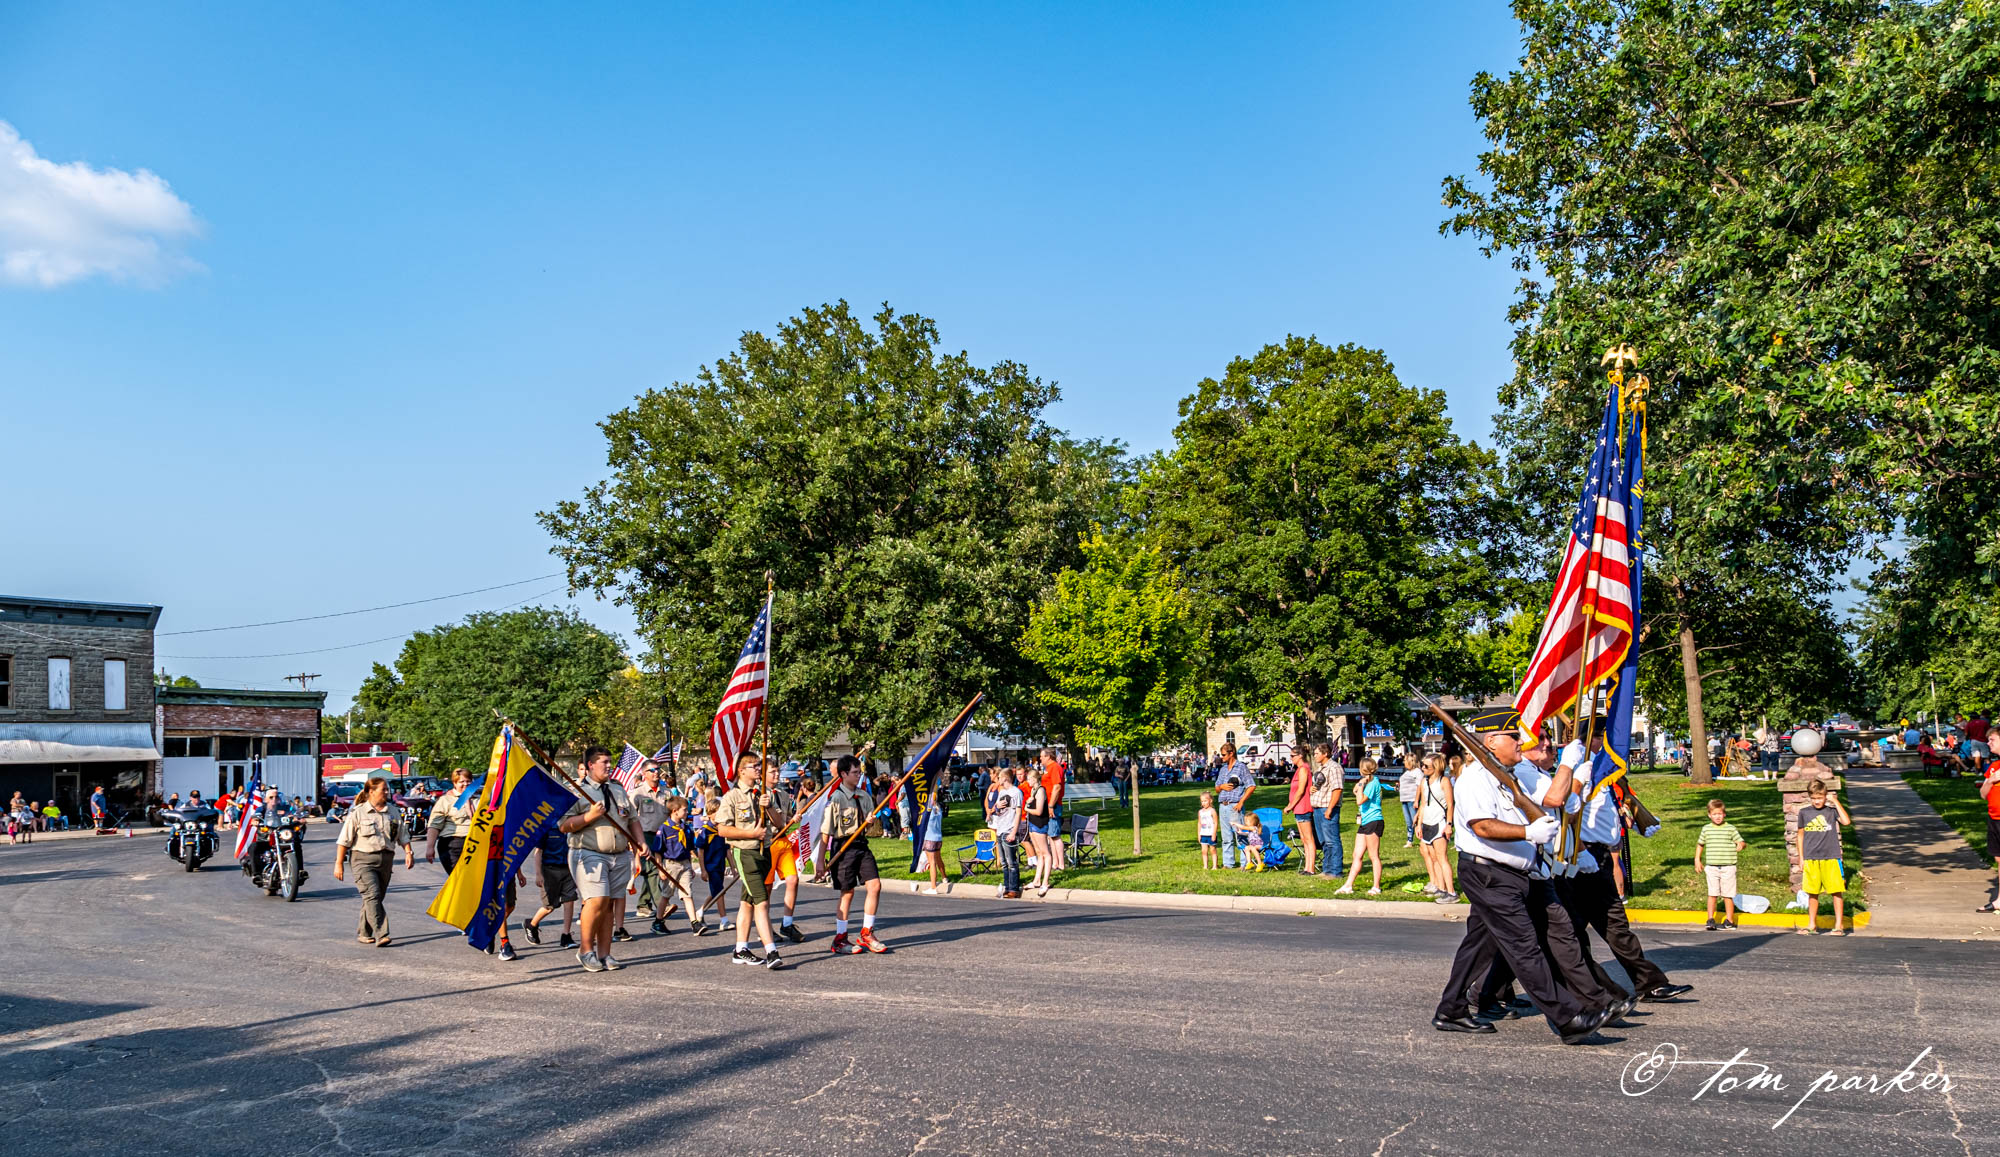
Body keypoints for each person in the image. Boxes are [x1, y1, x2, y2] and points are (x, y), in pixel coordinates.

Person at [1431, 732, 1605, 1045]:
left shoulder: (1504, 776)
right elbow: (1482, 825)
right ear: (1491, 742)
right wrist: (1528, 832)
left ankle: (1451, 1009)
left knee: (1479, 946)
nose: (1520, 743)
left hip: (1510, 874)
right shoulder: (1474, 779)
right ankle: (1569, 1019)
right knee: (1524, 947)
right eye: (1513, 737)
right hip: (1489, 874)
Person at [1557, 729, 1687, 1003]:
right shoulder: (1582, 771)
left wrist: (1638, 822)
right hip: (1585, 856)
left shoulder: (1605, 771)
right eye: (1604, 737)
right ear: (1590, 739)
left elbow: (1615, 804)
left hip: (1601, 856)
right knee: (1575, 932)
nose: (1611, 744)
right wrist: (1580, 849)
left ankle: (1645, 984)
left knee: (1610, 927)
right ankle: (1608, 990)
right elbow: (1568, 811)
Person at [557, 745, 654, 972]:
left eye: (610, 762)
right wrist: (589, 816)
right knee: (596, 900)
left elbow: (632, 819)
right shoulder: (576, 791)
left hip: (618, 854)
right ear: (591, 765)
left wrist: (641, 842)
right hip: (588, 852)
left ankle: (604, 954)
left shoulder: (617, 790)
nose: (609, 766)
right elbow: (564, 825)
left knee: (609, 903)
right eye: (604, 762)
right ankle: (585, 950)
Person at [714, 754, 786, 968]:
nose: (758, 769)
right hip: (745, 853)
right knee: (761, 902)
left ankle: (740, 949)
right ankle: (771, 951)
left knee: (747, 902)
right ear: (741, 770)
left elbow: (780, 824)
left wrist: (769, 806)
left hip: (765, 852)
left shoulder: (763, 793)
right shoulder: (732, 797)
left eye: (758, 766)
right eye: (753, 766)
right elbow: (722, 829)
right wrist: (751, 834)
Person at [821, 754, 890, 954]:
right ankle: (840, 938)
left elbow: (867, 826)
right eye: (854, 772)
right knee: (847, 892)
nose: (858, 775)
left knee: (875, 885)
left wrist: (868, 822)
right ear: (843, 774)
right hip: (843, 847)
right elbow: (826, 831)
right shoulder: (836, 798)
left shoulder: (864, 796)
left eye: (859, 772)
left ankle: (867, 933)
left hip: (860, 845)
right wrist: (819, 863)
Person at [332, 777, 413, 947]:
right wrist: (338, 864)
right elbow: (344, 840)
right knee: (372, 895)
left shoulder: (393, 811)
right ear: (371, 791)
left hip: (386, 860)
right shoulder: (358, 812)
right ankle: (381, 934)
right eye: (383, 789)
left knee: (374, 898)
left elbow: (402, 835)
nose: (387, 792)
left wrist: (408, 852)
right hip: (363, 860)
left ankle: (363, 932)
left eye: (387, 789)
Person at [1795, 778, 1852, 934]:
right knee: (1812, 893)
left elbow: (1846, 821)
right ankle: (1812, 925)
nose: (1817, 801)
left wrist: (1835, 801)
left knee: (1836, 891)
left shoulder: (1831, 812)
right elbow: (1800, 835)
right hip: (1811, 859)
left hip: (1831, 857)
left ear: (1825, 796)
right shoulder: (1804, 813)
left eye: (1820, 798)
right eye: (1813, 798)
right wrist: (1801, 858)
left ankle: (1839, 925)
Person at [760, 761, 806, 944]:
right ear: (763, 774)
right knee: (767, 888)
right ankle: (765, 926)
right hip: (768, 842)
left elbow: (785, 818)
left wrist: (794, 818)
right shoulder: (759, 795)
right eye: (772, 771)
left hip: (783, 841)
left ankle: (787, 923)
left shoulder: (783, 794)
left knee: (793, 879)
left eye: (777, 771)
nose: (777, 774)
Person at [648, 795, 706, 934]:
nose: (687, 812)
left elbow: (689, 849)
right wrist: (660, 869)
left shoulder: (686, 828)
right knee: (666, 895)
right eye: (684, 810)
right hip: (670, 865)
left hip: (685, 864)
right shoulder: (664, 828)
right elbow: (658, 851)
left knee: (688, 893)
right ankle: (658, 921)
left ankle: (694, 923)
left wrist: (691, 867)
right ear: (675, 811)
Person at [627, 763, 672, 937]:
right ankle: (663, 905)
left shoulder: (667, 792)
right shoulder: (638, 793)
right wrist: (633, 842)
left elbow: (672, 813)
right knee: (653, 870)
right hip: (645, 835)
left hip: (664, 835)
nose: (656, 773)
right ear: (643, 773)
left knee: (653, 870)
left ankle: (643, 905)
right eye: (652, 770)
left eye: (658, 769)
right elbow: (630, 818)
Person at [524, 817, 580, 952]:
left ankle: (566, 935)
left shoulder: (572, 825)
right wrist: (538, 874)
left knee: (569, 900)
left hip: (568, 869)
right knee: (550, 906)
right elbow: (538, 852)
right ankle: (531, 924)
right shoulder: (547, 826)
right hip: (549, 870)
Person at [1336, 759, 1385, 895]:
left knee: (1373, 855)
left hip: (1374, 820)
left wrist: (1362, 785)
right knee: (1357, 854)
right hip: (1364, 821)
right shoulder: (1366, 781)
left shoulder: (1373, 783)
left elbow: (1359, 800)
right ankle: (1348, 885)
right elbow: (1354, 790)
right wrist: (1361, 782)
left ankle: (1376, 886)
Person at [1696, 799, 1746, 929]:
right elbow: (1700, 844)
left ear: (1724, 814)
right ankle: (1710, 919)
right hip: (1712, 867)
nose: (1717, 817)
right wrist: (1697, 860)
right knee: (1712, 893)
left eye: (1720, 814)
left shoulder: (1730, 829)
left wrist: (1741, 844)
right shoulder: (1706, 829)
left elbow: (1741, 841)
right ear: (1709, 815)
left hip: (1728, 866)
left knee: (1728, 895)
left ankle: (1729, 920)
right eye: (1714, 814)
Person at [1416, 754, 1455, 902]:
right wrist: (1419, 824)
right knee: (1433, 858)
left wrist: (1449, 824)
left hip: (1440, 822)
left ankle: (1451, 892)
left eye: (1426, 766)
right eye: (1422, 765)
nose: (1423, 768)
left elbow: (1450, 804)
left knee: (1442, 858)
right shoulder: (1424, 782)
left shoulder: (1444, 781)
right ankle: (1441, 887)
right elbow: (1423, 804)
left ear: (1436, 767)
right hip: (1427, 822)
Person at [424, 767, 478, 874]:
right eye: (462, 782)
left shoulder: (479, 800)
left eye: (468, 781)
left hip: (476, 844)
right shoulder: (446, 800)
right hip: (453, 844)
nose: (465, 784)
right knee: (459, 878)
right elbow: (434, 826)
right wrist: (430, 847)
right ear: (455, 783)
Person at [1212, 743, 1254, 869]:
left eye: (1224, 755)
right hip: (1223, 805)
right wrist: (1221, 787)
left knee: (1240, 835)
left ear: (1232, 753)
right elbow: (1216, 788)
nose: (1222, 757)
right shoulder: (1223, 769)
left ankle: (1245, 862)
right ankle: (1228, 863)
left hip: (1235, 805)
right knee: (1226, 837)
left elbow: (1251, 786)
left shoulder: (1241, 767)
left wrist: (1241, 802)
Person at [1309, 742, 1344, 878]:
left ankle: (1335, 871)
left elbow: (1337, 789)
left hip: (1327, 808)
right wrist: (1312, 789)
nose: (1315, 755)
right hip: (1318, 808)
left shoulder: (1334, 768)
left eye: (1317, 753)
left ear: (1325, 754)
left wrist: (1330, 809)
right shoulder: (1321, 768)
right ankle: (1327, 870)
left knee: (1332, 841)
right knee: (1323, 841)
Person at [990, 767, 1024, 898]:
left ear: (1005, 778)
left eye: (999, 777)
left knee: (1011, 862)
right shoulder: (1002, 792)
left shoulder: (1016, 792)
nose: (998, 779)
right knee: (1004, 862)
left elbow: (1018, 812)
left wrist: (1013, 832)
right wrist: (997, 807)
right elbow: (997, 810)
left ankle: (1014, 889)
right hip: (1000, 829)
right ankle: (1006, 886)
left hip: (1009, 829)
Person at [1022, 764, 1054, 896]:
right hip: (1032, 824)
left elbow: (1039, 811)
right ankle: (1036, 880)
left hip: (1039, 824)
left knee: (1045, 853)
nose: (1028, 781)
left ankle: (1045, 882)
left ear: (1035, 779)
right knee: (1039, 853)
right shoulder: (1033, 791)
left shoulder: (1041, 791)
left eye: (1030, 779)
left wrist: (1026, 808)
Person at [1286, 750, 1317, 875]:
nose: (1291, 758)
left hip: (1303, 807)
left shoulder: (1304, 769)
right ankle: (1306, 867)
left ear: (1300, 756)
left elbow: (1301, 790)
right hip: (1298, 809)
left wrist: (1290, 806)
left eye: (1293, 756)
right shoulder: (1299, 769)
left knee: (1309, 839)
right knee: (1304, 839)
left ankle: (1311, 868)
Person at [1040, 748, 1068, 874]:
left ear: (1048, 757)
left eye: (1042, 756)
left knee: (1055, 835)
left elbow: (1057, 787)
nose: (1040, 759)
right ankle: (1055, 862)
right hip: (1048, 805)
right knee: (1050, 835)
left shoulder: (1055, 767)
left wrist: (1051, 805)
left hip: (1054, 805)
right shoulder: (1048, 768)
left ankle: (1061, 864)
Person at [916, 787, 948, 894]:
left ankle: (933, 887)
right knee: (938, 859)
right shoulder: (938, 809)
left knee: (932, 862)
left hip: (929, 838)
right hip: (938, 838)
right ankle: (944, 877)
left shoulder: (927, 811)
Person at [1397, 757, 1423, 848]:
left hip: (1412, 799)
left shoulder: (1417, 772)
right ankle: (1409, 840)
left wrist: (1416, 800)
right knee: (1408, 822)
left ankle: (1423, 839)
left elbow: (1419, 786)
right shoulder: (1407, 772)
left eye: (1405, 760)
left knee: (1415, 820)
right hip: (1404, 799)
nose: (1404, 762)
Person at [1197, 791, 1219, 870]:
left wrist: (1214, 834)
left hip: (1211, 834)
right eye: (1202, 801)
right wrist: (1199, 834)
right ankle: (1205, 866)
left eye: (1205, 801)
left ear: (1210, 801)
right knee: (1204, 851)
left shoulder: (1212, 811)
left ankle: (1215, 866)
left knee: (1212, 850)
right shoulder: (1200, 812)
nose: (1203, 803)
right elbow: (1199, 823)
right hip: (1203, 834)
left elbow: (1216, 823)